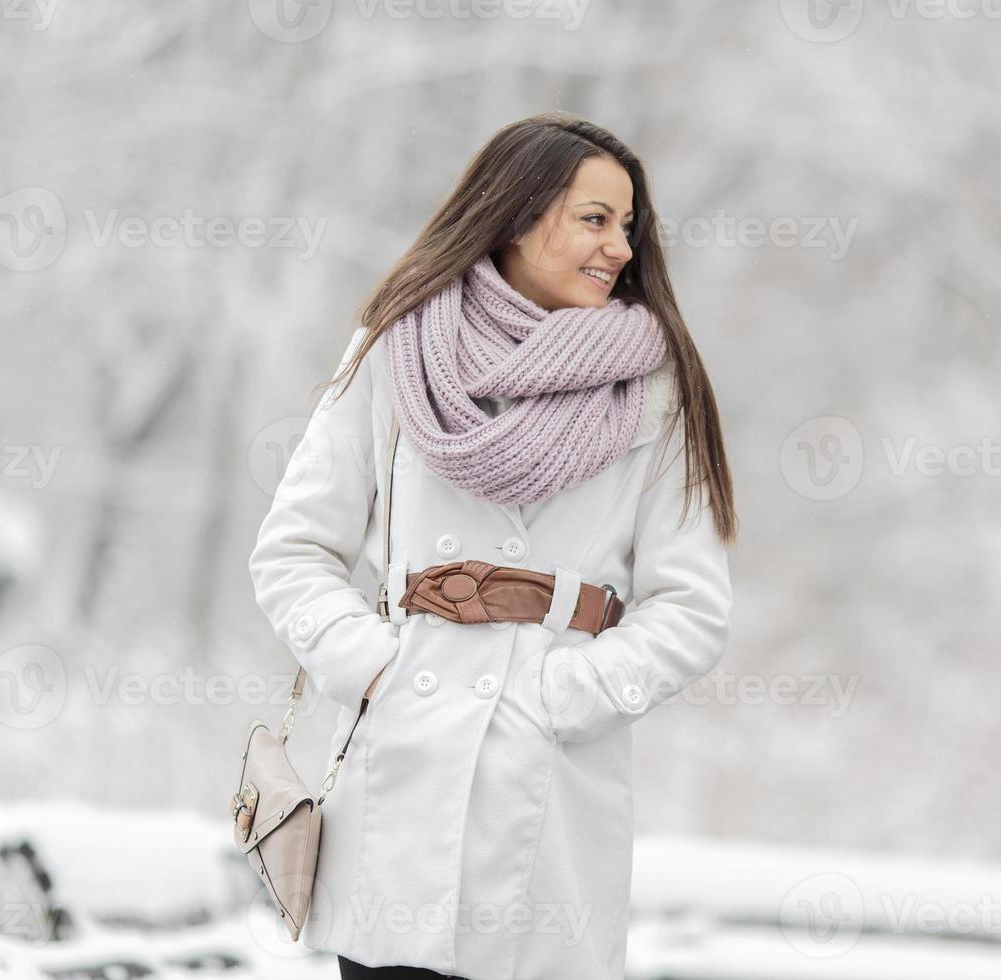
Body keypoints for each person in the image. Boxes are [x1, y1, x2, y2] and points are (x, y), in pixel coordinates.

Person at [248, 111, 736, 980]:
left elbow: (692, 609)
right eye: (595, 219)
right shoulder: (394, 349)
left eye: (628, 226)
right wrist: (374, 669)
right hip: (398, 778)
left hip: (550, 791)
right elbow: (293, 552)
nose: (620, 247)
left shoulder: (658, 388)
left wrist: (566, 693)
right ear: (515, 215)